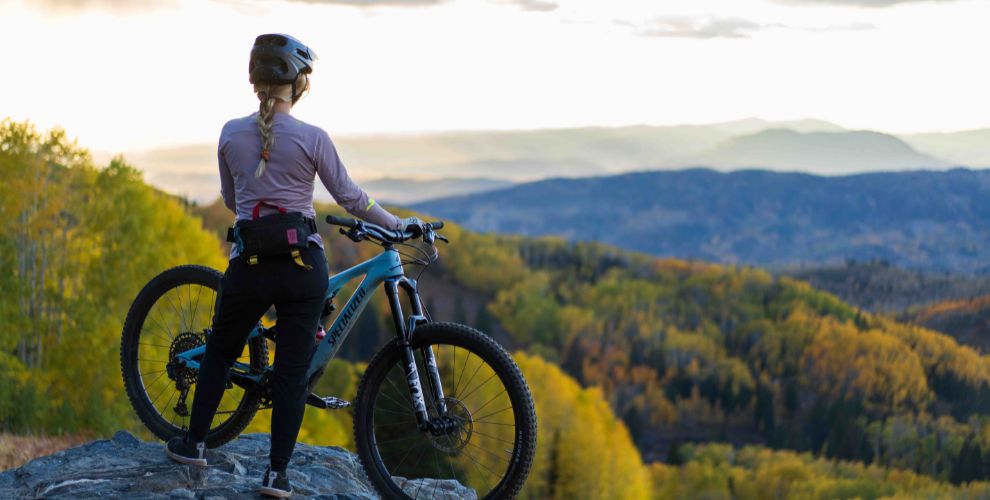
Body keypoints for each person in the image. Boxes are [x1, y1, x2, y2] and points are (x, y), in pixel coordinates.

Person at [164, 33, 418, 498]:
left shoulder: (228, 133)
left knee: (221, 350)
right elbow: (351, 199)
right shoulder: (313, 138)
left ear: (255, 82)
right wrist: (396, 223)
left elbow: (232, 198)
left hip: (251, 263)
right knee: (292, 372)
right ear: (297, 85)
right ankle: (276, 475)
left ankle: (193, 443)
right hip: (304, 267)